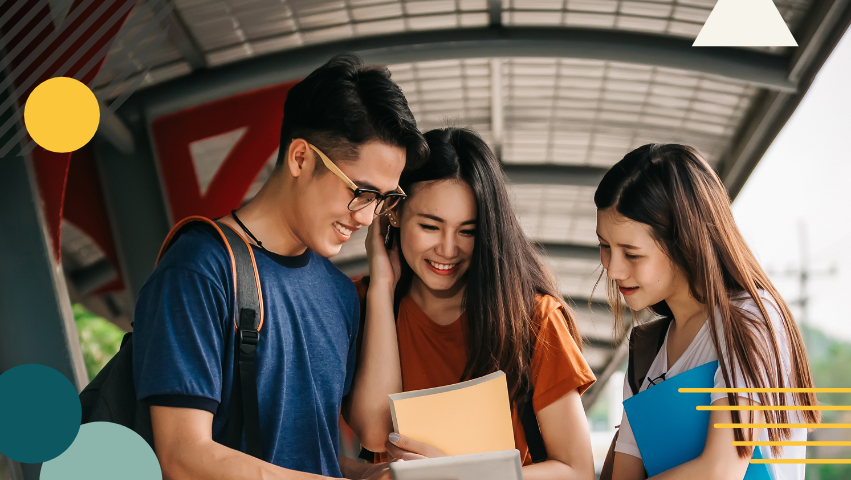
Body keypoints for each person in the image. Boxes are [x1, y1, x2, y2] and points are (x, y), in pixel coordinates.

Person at [131, 54, 428, 480]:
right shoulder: (200, 268)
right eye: (360, 191)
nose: (367, 216)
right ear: (301, 158)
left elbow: (317, 453)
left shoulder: (339, 293)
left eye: (384, 200)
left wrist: (366, 476)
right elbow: (183, 456)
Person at [346, 127, 597, 480]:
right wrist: (382, 289)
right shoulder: (358, 304)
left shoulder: (534, 319)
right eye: (431, 227)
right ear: (394, 214)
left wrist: (458, 476)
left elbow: (578, 470)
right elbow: (375, 434)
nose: (448, 250)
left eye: (468, 231)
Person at [595, 144, 819, 480]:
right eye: (604, 246)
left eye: (632, 254)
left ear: (685, 242)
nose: (613, 269)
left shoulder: (749, 320)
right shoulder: (647, 348)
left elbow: (721, 470)